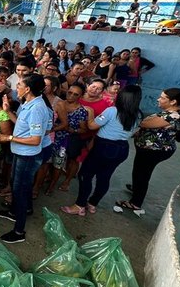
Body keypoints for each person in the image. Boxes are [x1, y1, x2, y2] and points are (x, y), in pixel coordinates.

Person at [61, 85, 142, 216]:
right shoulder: (137, 115)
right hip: (122, 149)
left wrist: (90, 112)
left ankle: (79, 205)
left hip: (104, 147)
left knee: (85, 175)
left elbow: (92, 125)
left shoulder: (112, 111)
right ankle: (92, 204)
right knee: (104, 177)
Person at [0, 74, 53, 244]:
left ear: (28, 89)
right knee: (15, 183)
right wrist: (8, 112)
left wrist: (8, 138)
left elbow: (35, 139)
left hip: (27, 155)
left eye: (19, 85)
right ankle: (14, 212)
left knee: (20, 190)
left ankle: (19, 231)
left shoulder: (37, 108)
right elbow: (21, 125)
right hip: (20, 151)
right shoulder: (28, 103)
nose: (16, 87)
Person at [120, 88, 180, 211]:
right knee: (140, 172)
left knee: (141, 174)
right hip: (149, 149)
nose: (159, 99)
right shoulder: (169, 112)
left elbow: (145, 123)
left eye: (163, 98)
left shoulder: (173, 116)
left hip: (154, 151)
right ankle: (137, 189)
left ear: (173, 102)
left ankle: (136, 203)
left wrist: (144, 121)